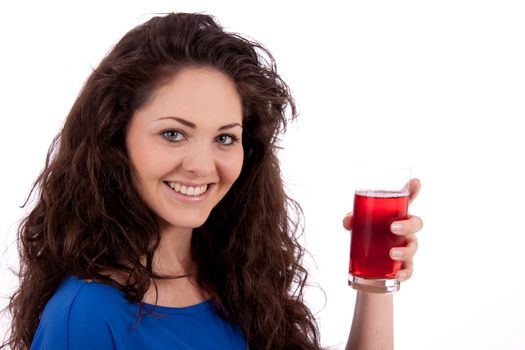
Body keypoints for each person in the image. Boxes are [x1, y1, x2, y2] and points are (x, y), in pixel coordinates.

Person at [3, 12, 423, 350]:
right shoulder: (87, 316)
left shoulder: (235, 279)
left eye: (225, 138)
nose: (203, 166)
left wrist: (375, 286)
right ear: (116, 136)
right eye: (173, 134)